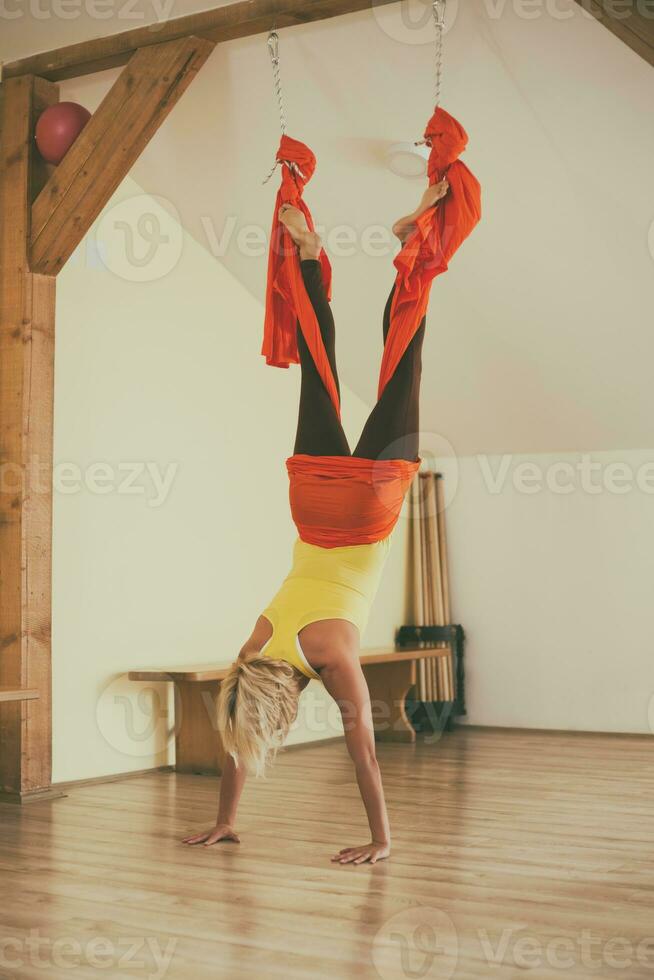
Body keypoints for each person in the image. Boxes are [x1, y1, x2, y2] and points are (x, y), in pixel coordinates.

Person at [183, 179, 449, 866]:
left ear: (284, 707)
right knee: (319, 374)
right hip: (312, 498)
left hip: (368, 509)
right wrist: (224, 819)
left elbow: (365, 755)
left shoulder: (330, 653)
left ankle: (414, 246)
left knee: (403, 369)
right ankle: (306, 256)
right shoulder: (255, 647)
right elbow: (239, 731)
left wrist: (381, 840)